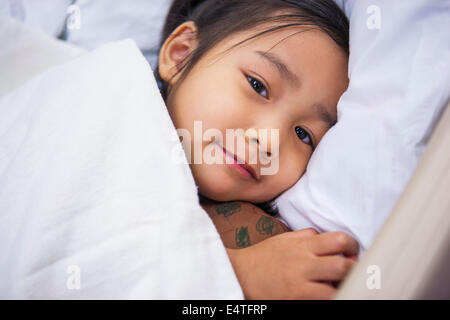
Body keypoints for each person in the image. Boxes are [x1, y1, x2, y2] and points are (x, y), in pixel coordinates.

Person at [156, 0, 359, 299]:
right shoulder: (109, 108)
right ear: (181, 54)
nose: (269, 141)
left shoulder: (258, 234)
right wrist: (239, 273)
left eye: (303, 135)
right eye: (258, 85)